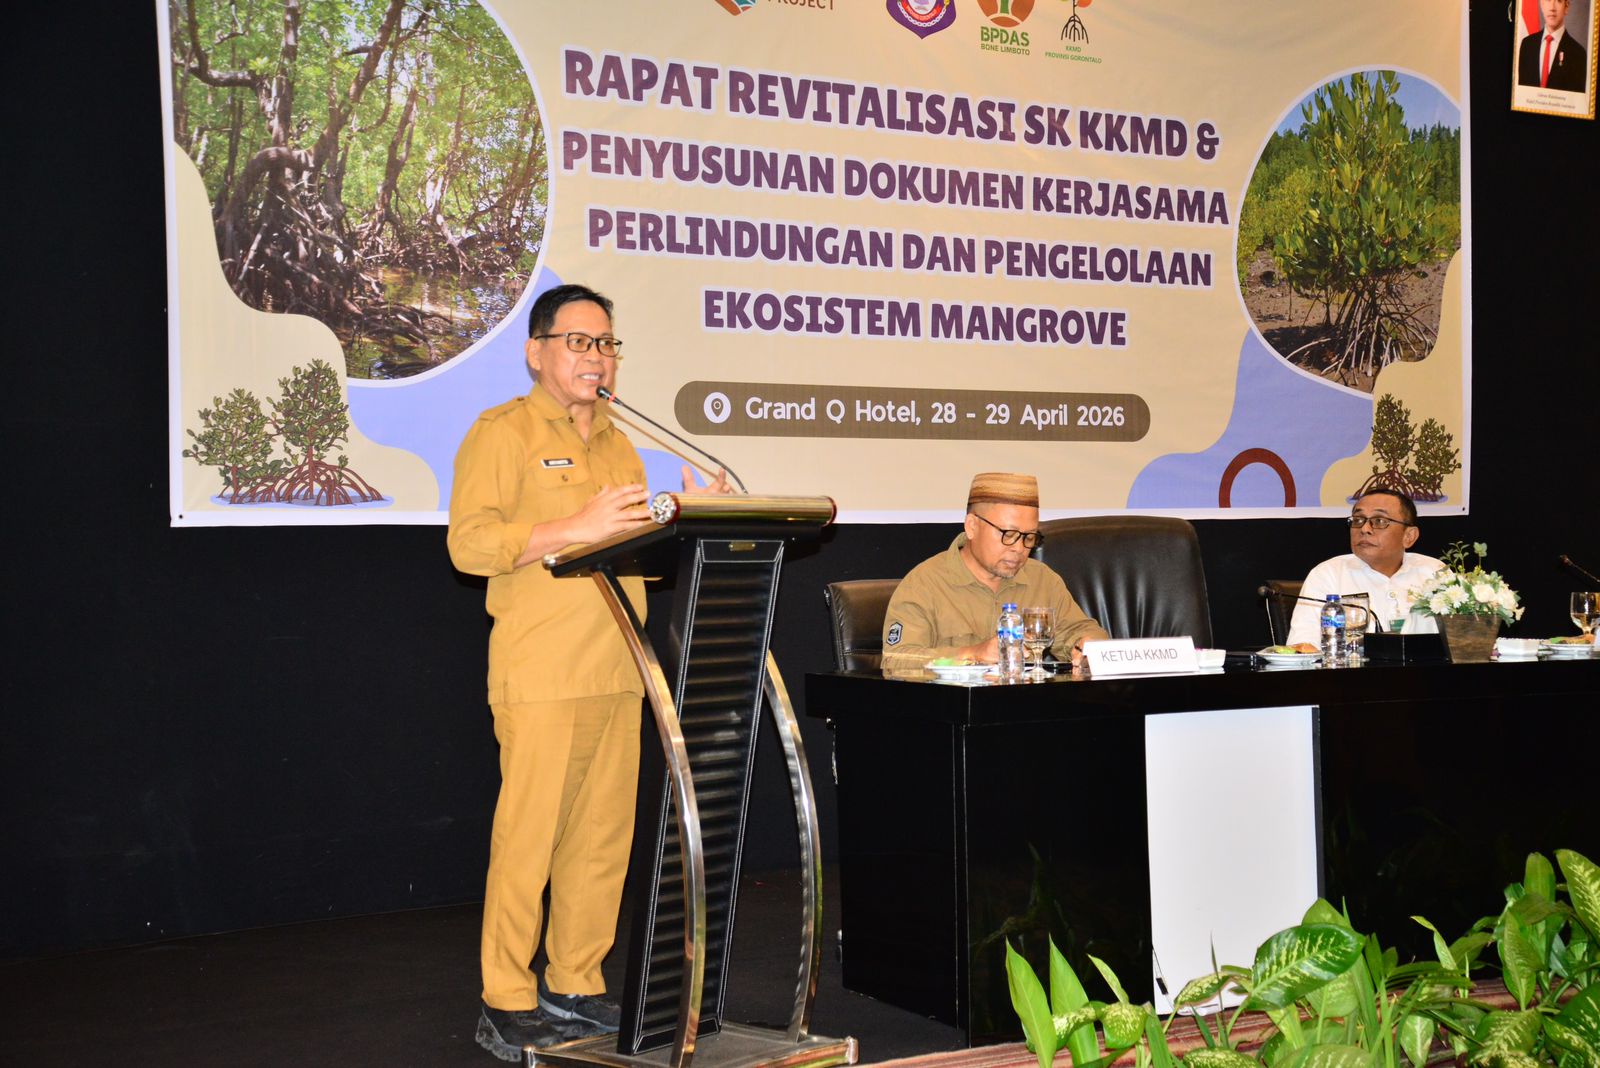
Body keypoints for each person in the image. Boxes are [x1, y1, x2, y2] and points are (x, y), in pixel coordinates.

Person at [448, 284, 732, 1061]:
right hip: (543, 670)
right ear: (536, 352)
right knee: (529, 841)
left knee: (602, 841)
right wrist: (572, 527)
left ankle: (574, 982)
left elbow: (633, 553)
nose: (596, 357)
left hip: (617, 666)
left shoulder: (618, 445)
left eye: (605, 343)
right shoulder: (502, 432)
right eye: (578, 341)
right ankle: (505, 999)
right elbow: (468, 546)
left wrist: (690, 519)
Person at [880, 472, 1108, 674]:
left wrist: (1087, 649)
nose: (1019, 548)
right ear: (972, 526)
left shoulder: (1042, 580)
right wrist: (972, 654)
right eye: (1008, 534)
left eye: (1029, 537)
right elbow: (896, 660)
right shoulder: (925, 584)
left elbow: (1084, 632)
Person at [1286, 488, 1443, 647]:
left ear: (1409, 536)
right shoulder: (1328, 574)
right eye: (1358, 520)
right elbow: (1302, 646)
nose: (1364, 529)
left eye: (1379, 521)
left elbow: (1456, 641)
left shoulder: (1434, 572)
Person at [1519, 0, 1589, 92]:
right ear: (1542, 4)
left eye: (1558, 1)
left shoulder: (1578, 54)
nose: (1552, 8)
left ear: (1566, 7)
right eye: (1548, 0)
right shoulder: (1527, 45)